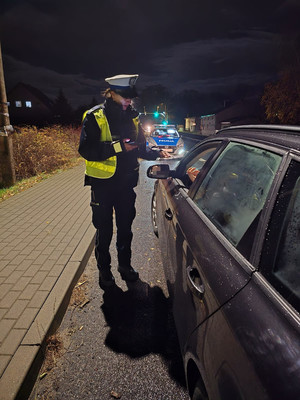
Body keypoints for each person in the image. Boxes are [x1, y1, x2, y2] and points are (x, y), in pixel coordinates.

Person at [78, 74, 170, 289]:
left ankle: (125, 267)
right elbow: (86, 150)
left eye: (131, 97)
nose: (129, 100)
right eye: (124, 96)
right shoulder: (95, 116)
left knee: (125, 229)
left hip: (126, 183)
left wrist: (156, 153)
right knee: (104, 230)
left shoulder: (133, 117)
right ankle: (104, 271)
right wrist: (117, 148)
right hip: (102, 185)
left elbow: (139, 146)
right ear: (111, 93)